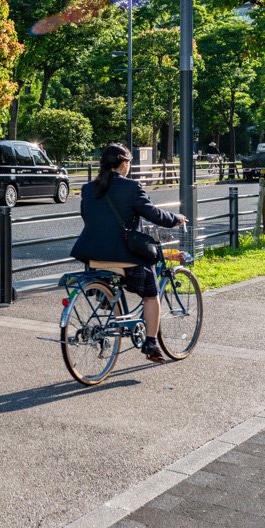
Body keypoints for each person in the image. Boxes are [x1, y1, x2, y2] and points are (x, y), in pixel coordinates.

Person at [69, 143, 187, 364]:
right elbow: (153, 213)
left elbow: (88, 217)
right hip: (125, 259)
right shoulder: (132, 187)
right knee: (151, 294)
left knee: (109, 281)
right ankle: (151, 342)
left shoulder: (88, 188)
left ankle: (107, 302)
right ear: (124, 164)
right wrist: (176, 219)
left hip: (94, 257)